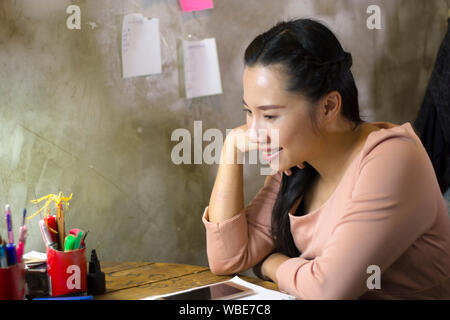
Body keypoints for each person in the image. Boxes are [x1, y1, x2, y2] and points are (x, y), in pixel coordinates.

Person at [202, 18, 450, 299]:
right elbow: (227, 259)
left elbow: (327, 290)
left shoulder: (392, 158)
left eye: (269, 116)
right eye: (249, 112)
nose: (255, 133)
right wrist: (231, 150)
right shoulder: (299, 160)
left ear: (328, 107)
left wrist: (270, 263)